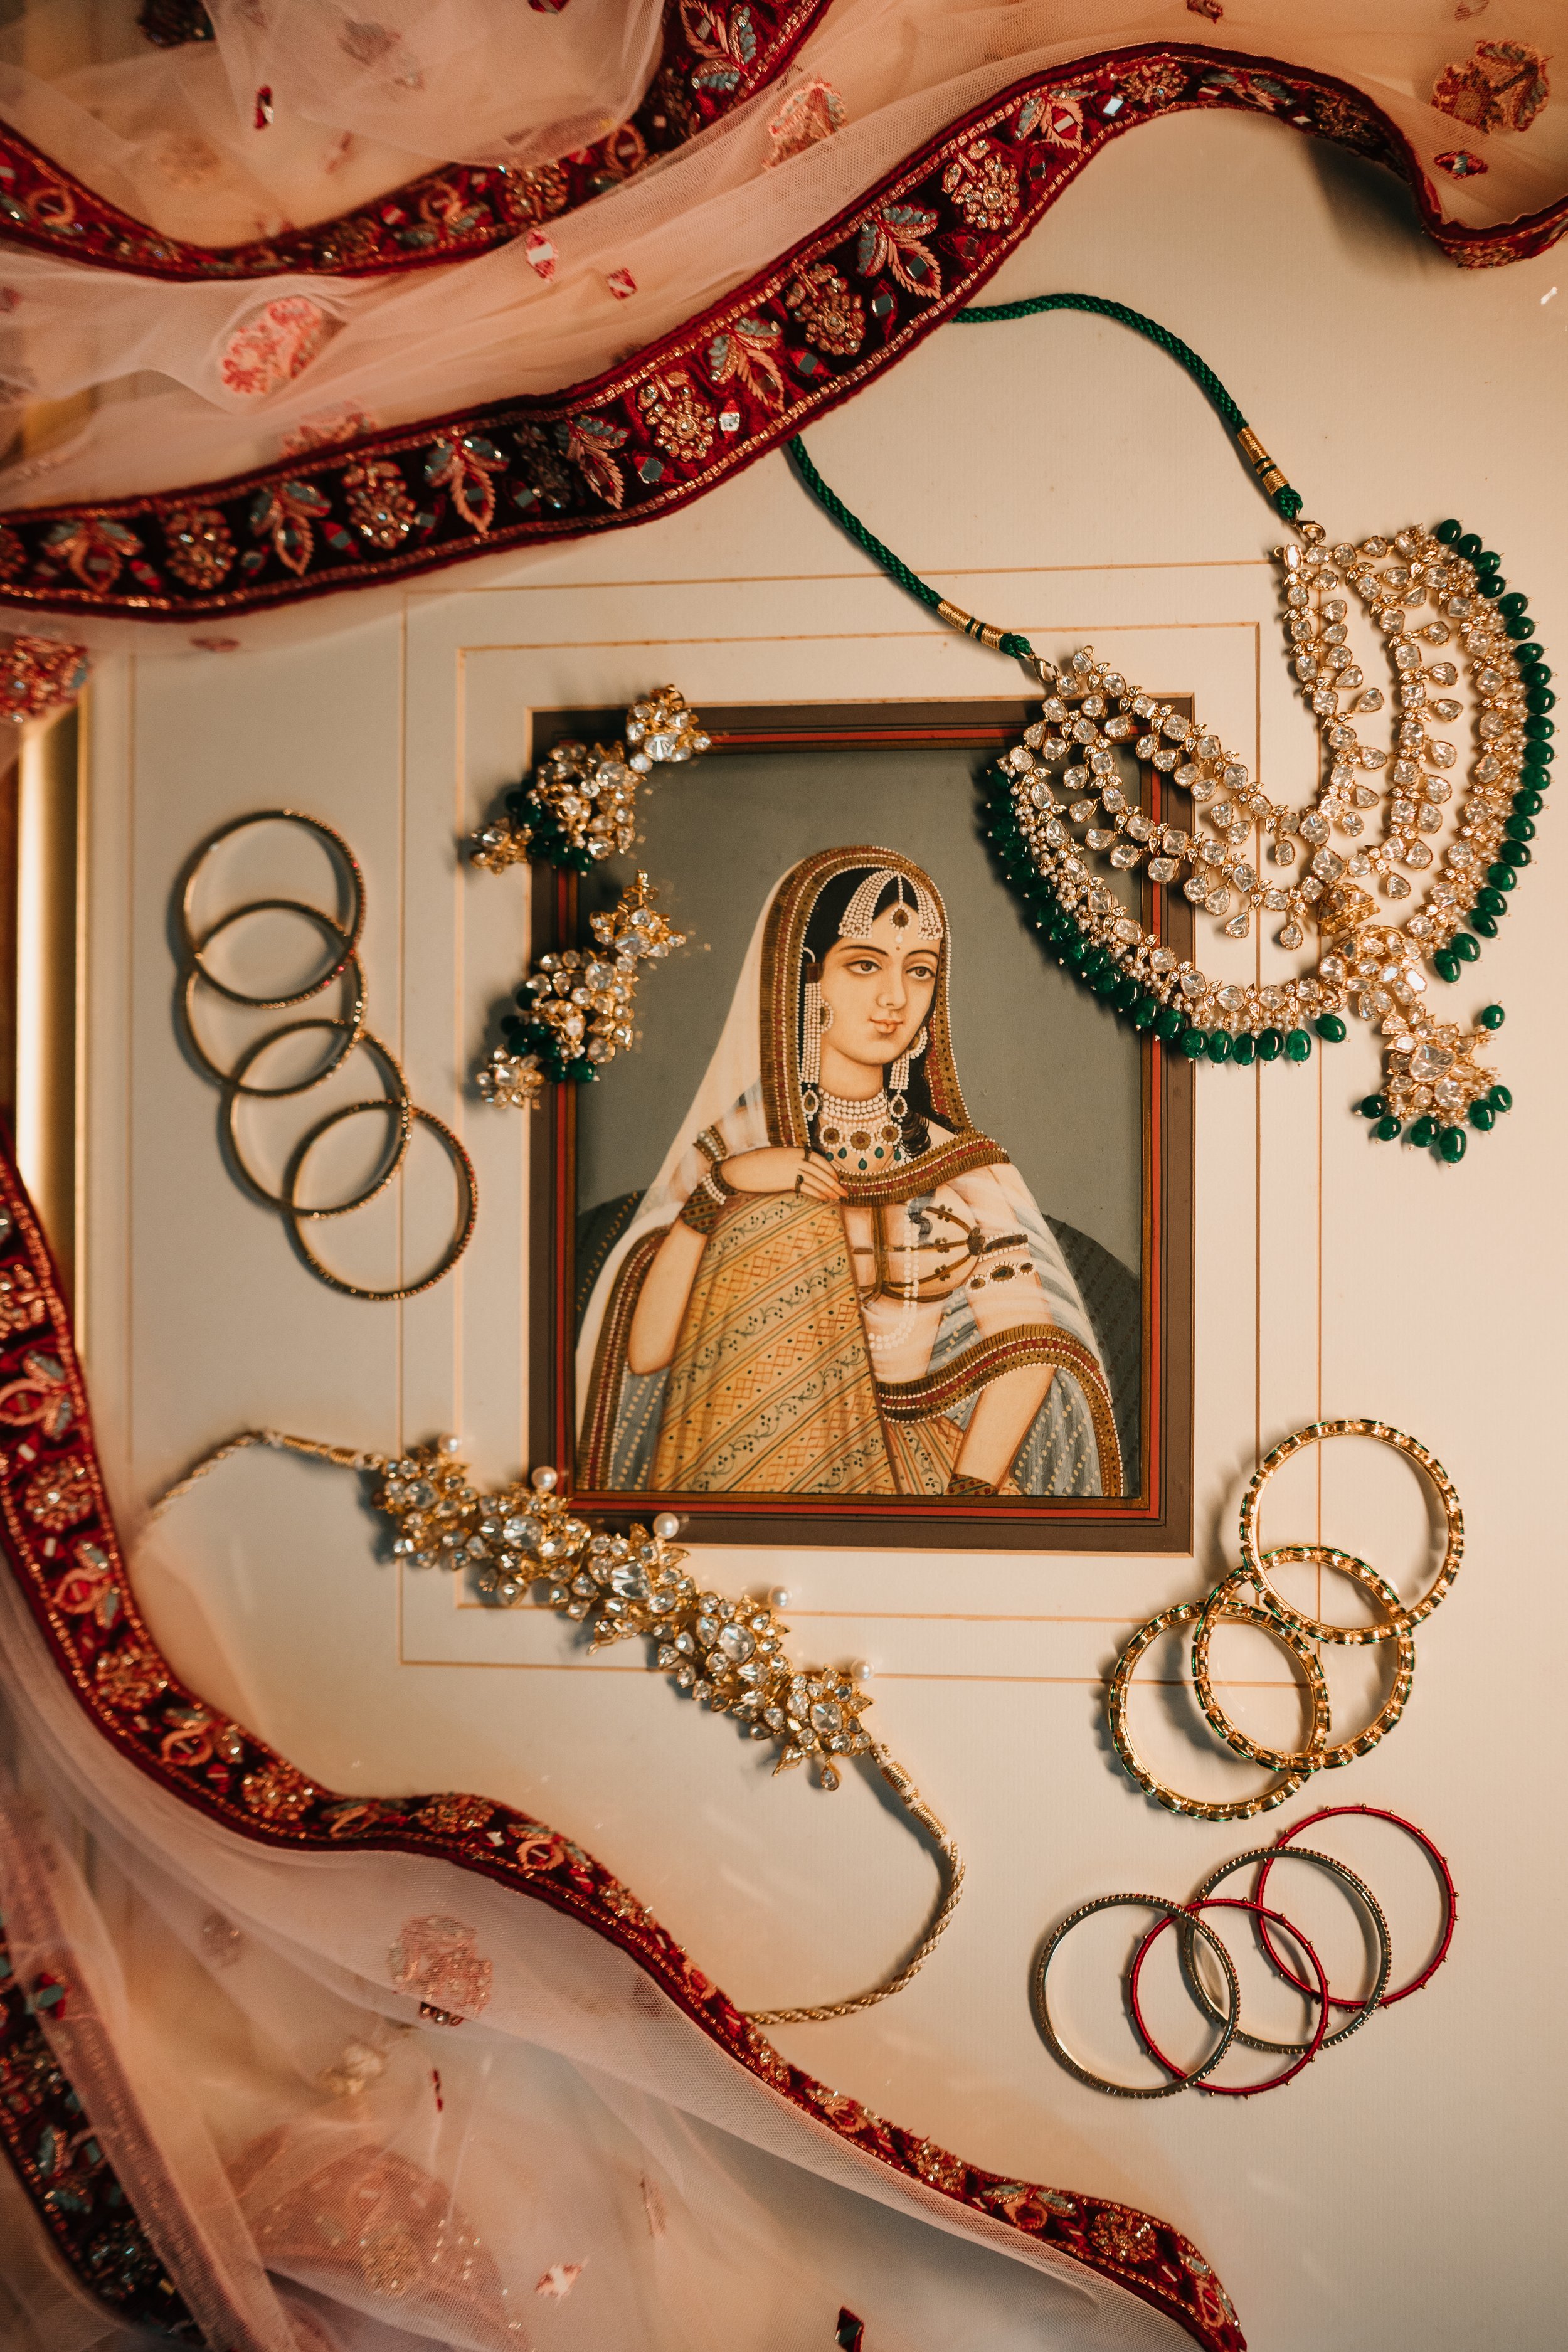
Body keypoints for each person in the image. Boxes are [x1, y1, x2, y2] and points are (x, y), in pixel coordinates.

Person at [577, 847, 1120, 1497]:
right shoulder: (736, 1150)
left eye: (919, 972)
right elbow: (648, 1353)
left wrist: (969, 1493)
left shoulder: (956, 1163)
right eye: (864, 965)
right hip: (748, 1457)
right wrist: (720, 1192)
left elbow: (1028, 1348)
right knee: (777, 1214)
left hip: (910, 1477)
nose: (895, 998)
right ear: (805, 977)